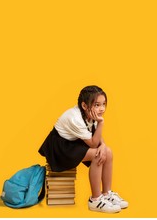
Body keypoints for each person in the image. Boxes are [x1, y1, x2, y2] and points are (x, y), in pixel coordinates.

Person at [38, 85, 128, 213]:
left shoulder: (91, 114)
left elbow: (94, 134)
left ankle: (107, 193)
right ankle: (95, 200)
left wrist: (103, 145)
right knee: (97, 155)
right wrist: (101, 124)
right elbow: (92, 143)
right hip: (60, 147)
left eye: (103, 104)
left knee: (108, 152)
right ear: (85, 105)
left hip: (75, 142)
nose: (101, 108)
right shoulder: (75, 118)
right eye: (97, 105)